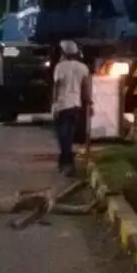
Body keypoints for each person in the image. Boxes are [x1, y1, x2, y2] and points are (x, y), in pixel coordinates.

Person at [52, 40, 91, 175]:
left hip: (62, 105)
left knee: (63, 136)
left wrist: (54, 105)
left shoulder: (60, 67)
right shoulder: (83, 68)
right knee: (69, 134)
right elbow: (86, 89)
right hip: (76, 105)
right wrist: (89, 103)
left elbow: (56, 88)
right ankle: (67, 162)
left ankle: (66, 163)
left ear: (63, 53)